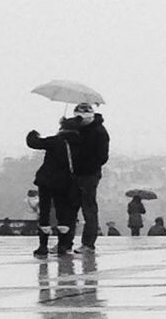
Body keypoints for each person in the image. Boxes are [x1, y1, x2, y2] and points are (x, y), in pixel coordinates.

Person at [26, 117, 82, 257]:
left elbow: (34, 143)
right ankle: (63, 246)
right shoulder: (81, 144)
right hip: (66, 183)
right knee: (63, 214)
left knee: (44, 212)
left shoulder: (56, 141)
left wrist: (33, 134)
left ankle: (43, 246)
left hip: (47, 181)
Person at [69, 102, 109, 253]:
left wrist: (87, 162)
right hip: (75, 173)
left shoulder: (99, 131)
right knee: (70, 210)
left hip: (89, 174)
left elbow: (102, 157)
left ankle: (88, 243)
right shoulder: (75, 129)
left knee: (88, 209)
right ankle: (66, 241)